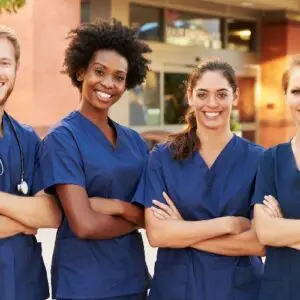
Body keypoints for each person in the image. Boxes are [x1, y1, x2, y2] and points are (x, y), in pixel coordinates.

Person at [36, 20, 151, 300]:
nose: (108, 84)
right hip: (84, 285)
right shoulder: (63, 138)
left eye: (119, 76)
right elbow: (84, 225)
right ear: (80, 71)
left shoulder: (134, 141)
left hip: (133, 282)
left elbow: (149, 215)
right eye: (99, 71)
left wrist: (114, 205)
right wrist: (133, 217)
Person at [133, 59, 265, 300]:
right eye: (202, 94)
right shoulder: (162, 158)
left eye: (221, 94)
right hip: (177, 290)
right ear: (190, 97)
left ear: (235, 97)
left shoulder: (259, 160)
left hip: (240, 291)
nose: (212, 104)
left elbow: (260, 242)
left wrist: (183, 232)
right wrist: (229, 224)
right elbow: (158, 235)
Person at [0, 25, 62, 300]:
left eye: (4, 63)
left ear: (16, 70)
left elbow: (51, 214)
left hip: (23, 287)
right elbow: (36, 216)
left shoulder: (27, 139)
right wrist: (26, 220)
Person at [253, 55, 300, 300]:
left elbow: (276, 232)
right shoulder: (270, 159)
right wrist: (275, 230)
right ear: (285, 96)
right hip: (280, 292)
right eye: (296, 91)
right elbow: (265, 232)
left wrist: (286, 231)